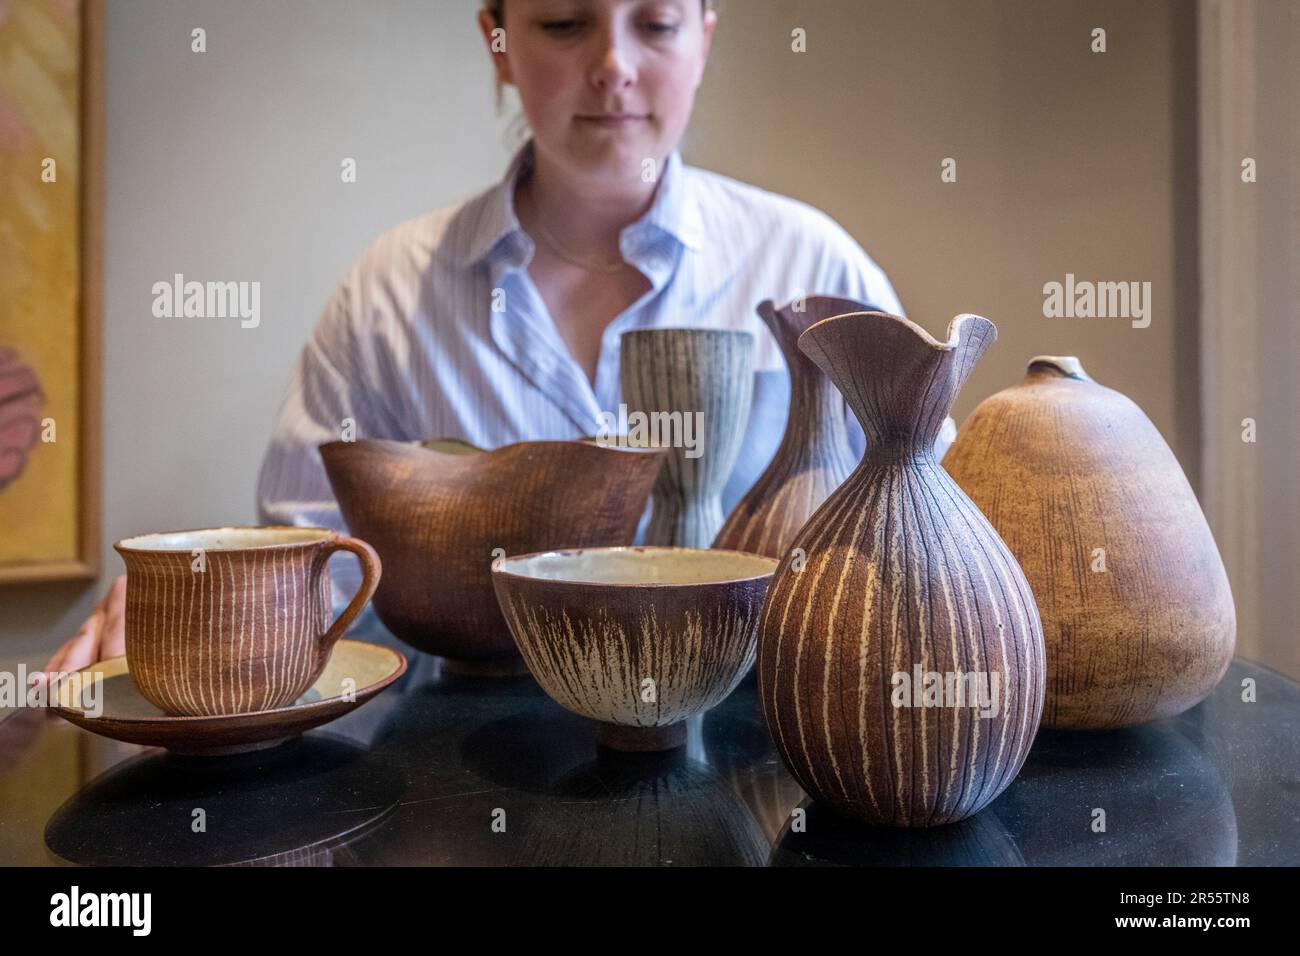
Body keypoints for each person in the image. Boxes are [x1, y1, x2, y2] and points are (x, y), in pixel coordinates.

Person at [45, 0, 903, 674]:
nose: (613, 67)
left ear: (704, 40)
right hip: (450, 784)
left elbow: (924, 532)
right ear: (497, 42)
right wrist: (211, 606)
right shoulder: (390, 293)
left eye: (657, 24)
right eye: (564, 24)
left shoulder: (812, 267)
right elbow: (321, 570)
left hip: (762, 782)